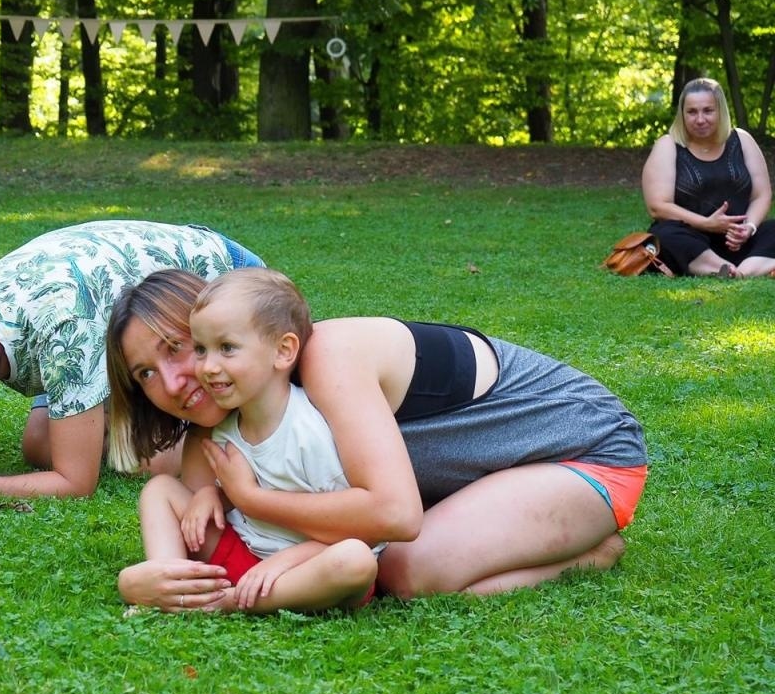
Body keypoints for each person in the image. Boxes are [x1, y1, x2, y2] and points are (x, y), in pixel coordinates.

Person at [108, 269, 648, 606]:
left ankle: (588, 551)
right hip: (501, 473)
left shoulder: (327, 360)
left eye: (178, 347)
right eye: (146, 373)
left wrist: (251, 498)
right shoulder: (246, 401)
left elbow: (396, 518)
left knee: (404, 571)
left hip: (586, 453)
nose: (177, 380)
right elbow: (196, 473)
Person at [0, 220, 263, 500]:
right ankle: (120, 421)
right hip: (115, 318)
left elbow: (76, 484)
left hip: (223, 278)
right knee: (41, 444)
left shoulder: (64, 335)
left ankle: (219, 436)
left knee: (152, 462)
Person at [133, 269, 378, 614]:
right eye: (201, 349)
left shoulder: (309, 432)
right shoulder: (227, 421)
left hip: (303, 574)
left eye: (227, 348)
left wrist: (282, 563)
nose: (208, 366)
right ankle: (174, 584)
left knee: (355, 561)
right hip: (243, 556)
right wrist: (209, 495)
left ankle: (223, 604)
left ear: (283, 351)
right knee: (160, 489)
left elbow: (356, 532)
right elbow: (237, 487)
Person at [642, 77, 775, 277]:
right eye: (692, 112)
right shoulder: (668, 145)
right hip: (692, 239)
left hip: (740, 241)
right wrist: (707, 224)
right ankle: (729, 268)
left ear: (721, 111)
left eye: (708, 111)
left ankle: (739, 271)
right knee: (663, 236)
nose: (700, 119)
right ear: (682, 114)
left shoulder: (742, 140)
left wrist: (749, 227)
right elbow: (658, 206)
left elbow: (762, 195)